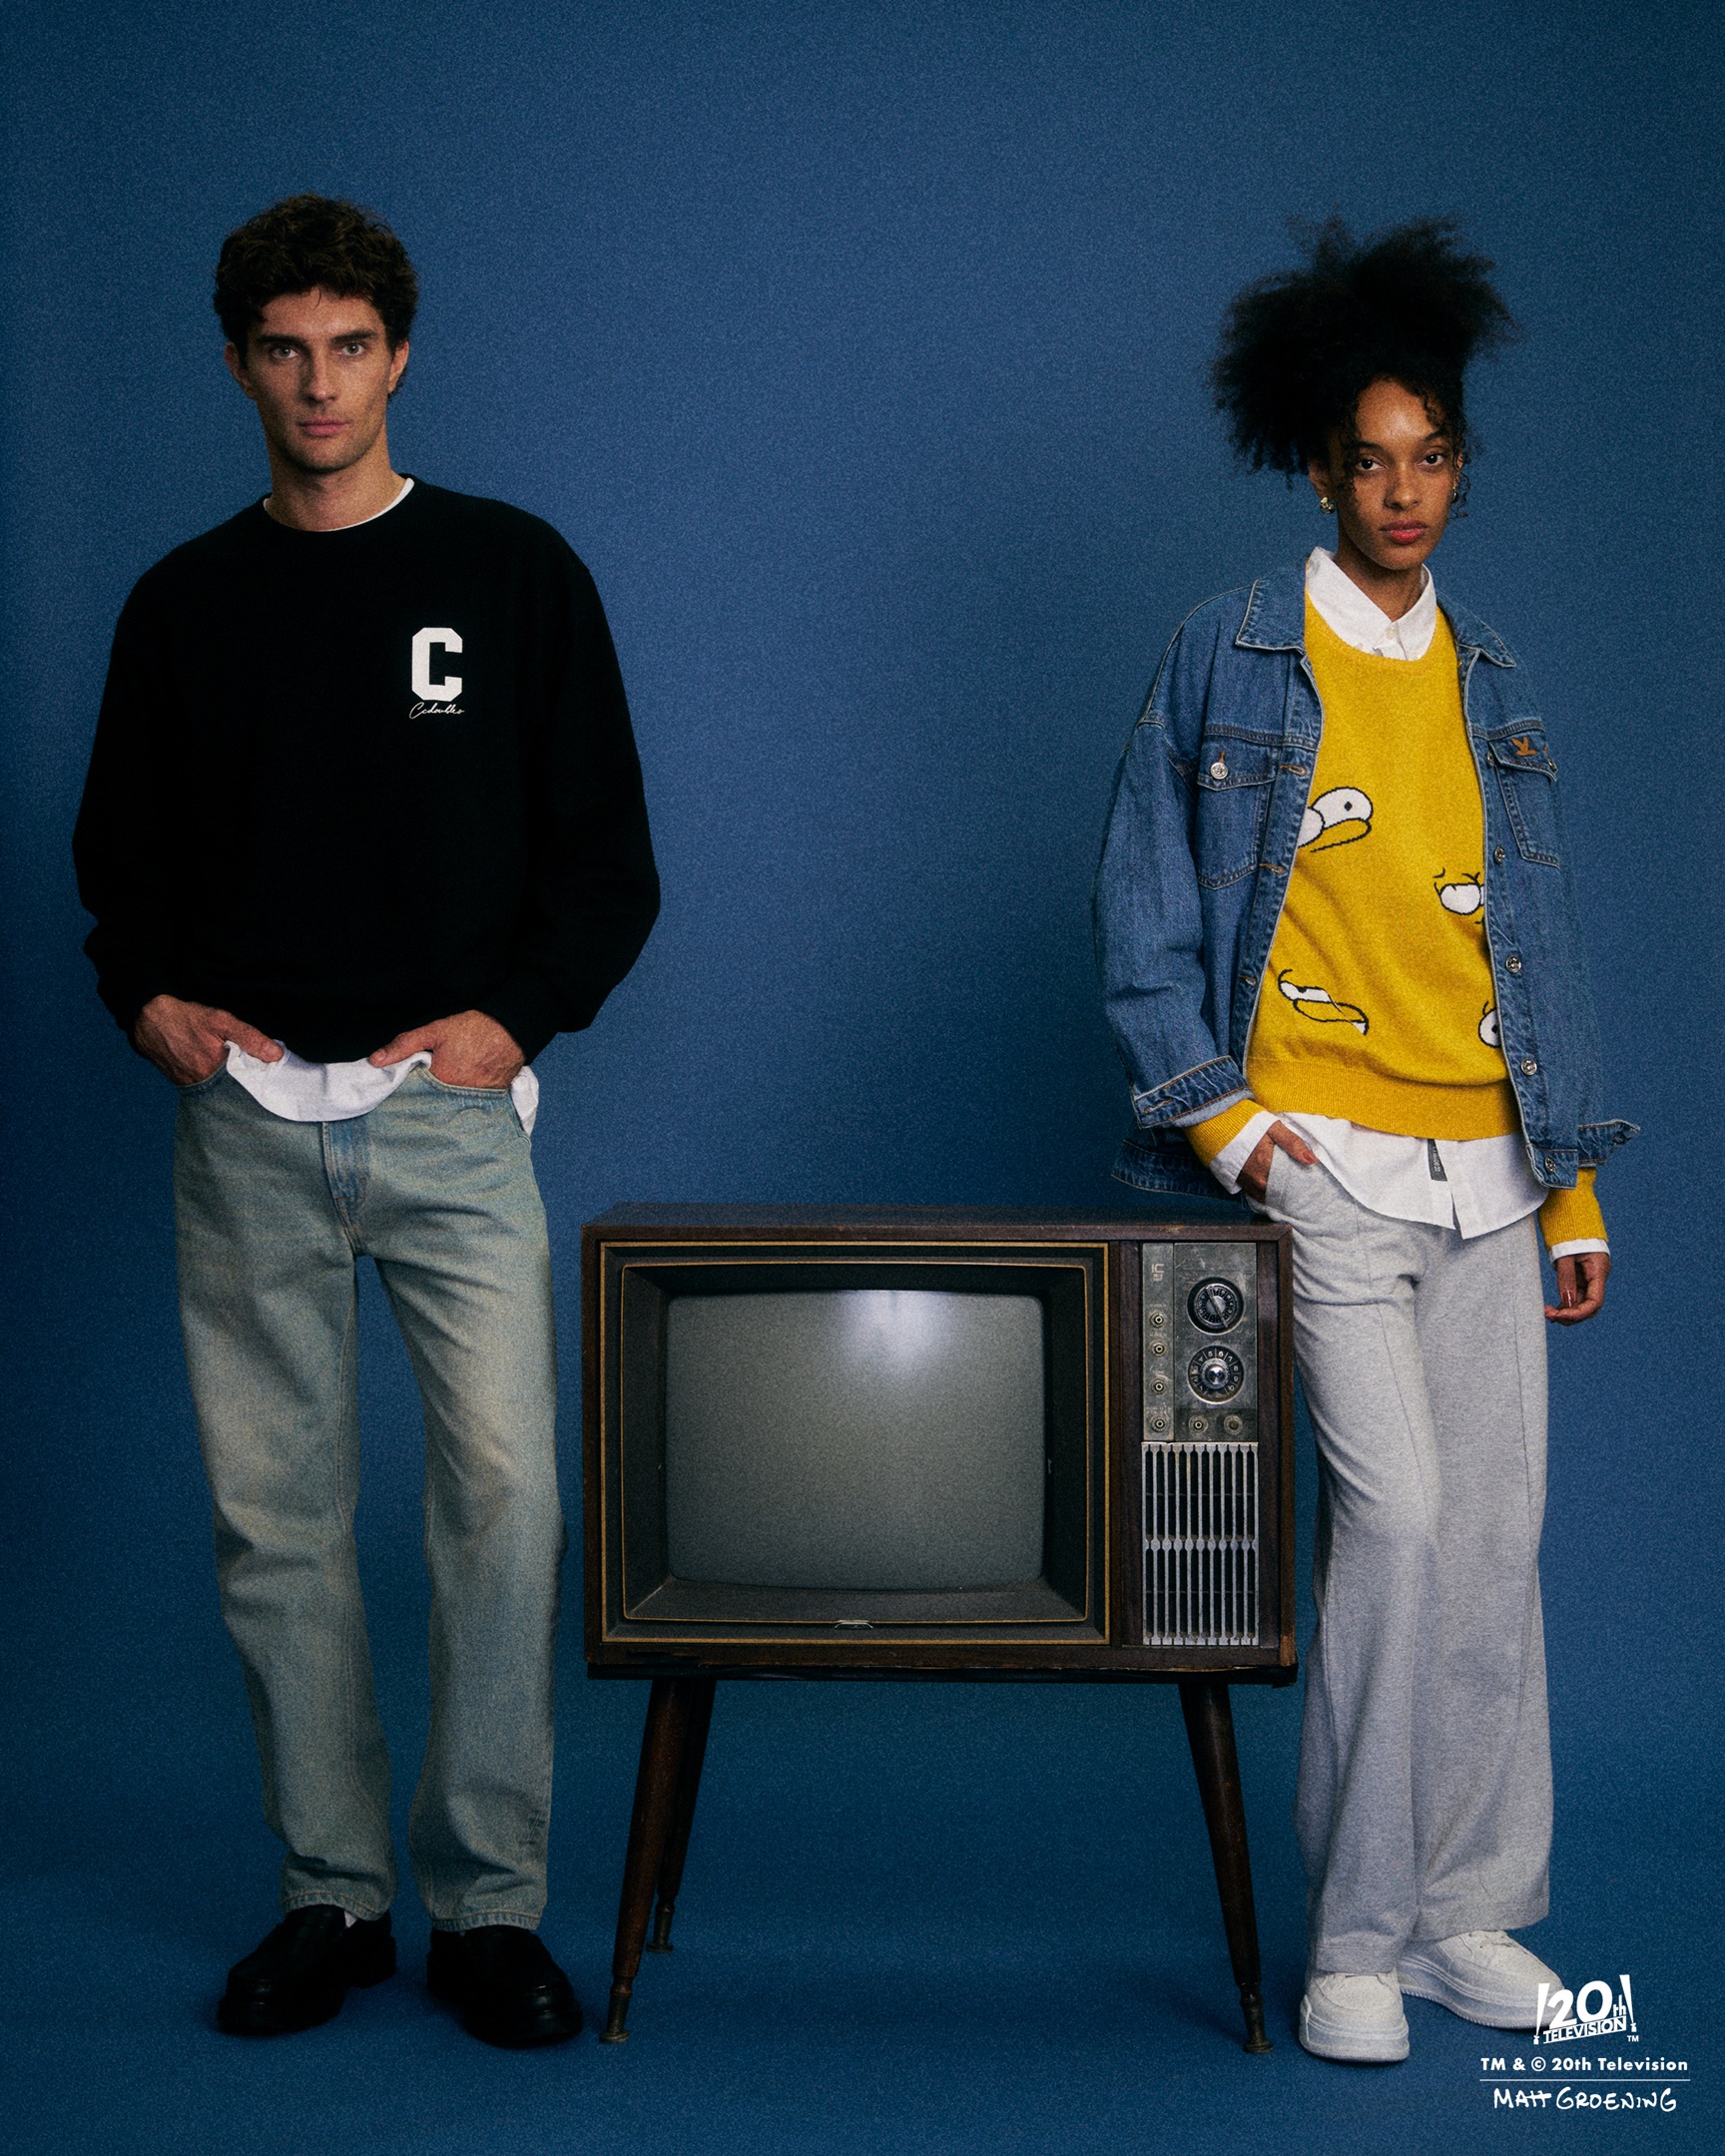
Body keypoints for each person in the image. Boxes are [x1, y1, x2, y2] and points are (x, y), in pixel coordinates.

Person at [73, 195, 660, 2048]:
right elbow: (117, 864)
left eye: (349, 347)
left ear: (399, 356)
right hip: (246, 1121)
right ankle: (330, 1897)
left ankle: (488, 1910)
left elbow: (608, 860)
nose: (319, 383)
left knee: (504, 1504)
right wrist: (147, 1001)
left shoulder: (512, 573)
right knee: (278, 1527)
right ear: (239, 363)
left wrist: (514, 1018)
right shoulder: (182, 603)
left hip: (447, 1121)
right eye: (284, 350)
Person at [1093, 219, 1632, 2064]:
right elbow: (1144, 908)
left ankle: (1468, 1915)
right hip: (1319, 1162)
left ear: (1459, 469)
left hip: (1491, 1170)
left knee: (1492, 1541)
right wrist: (1235, 1131)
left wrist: (1570, 1183)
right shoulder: (1230, 650)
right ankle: (1357, 1936)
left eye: (1433, 458)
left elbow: (1532, 944)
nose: (1404, 490)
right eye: (1370, 460)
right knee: (1392, 1526)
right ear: (1317, 471)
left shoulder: (1494, 674)